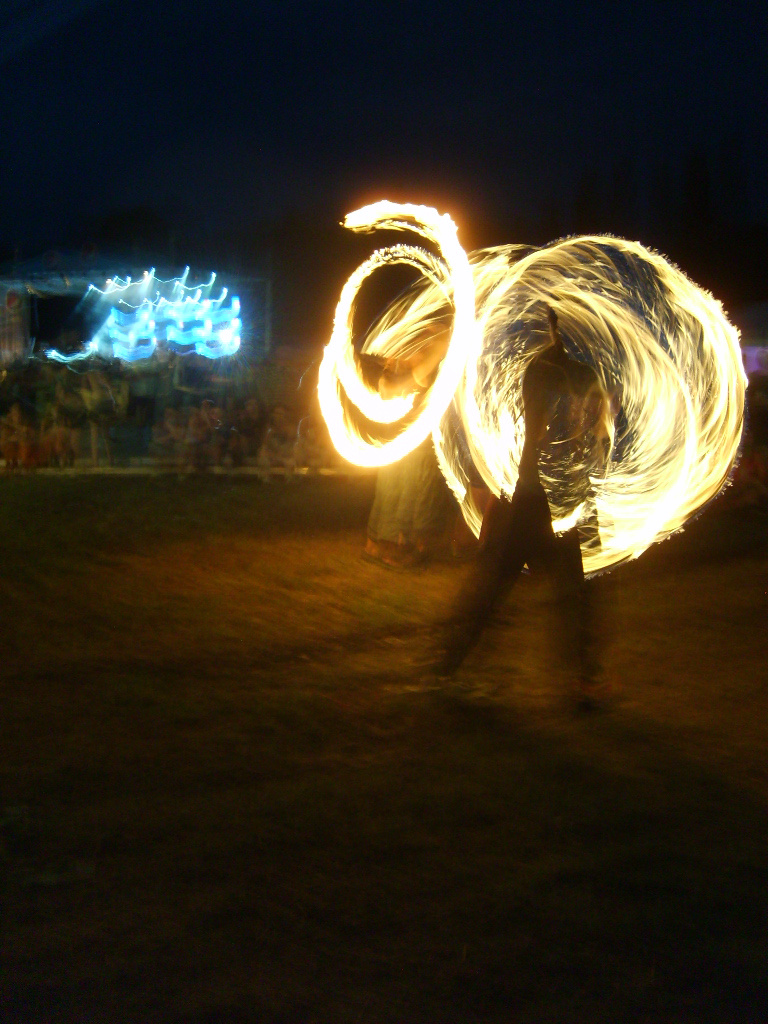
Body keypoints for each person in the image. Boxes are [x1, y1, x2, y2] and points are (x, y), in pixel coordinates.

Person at [437, 306, 612, 705]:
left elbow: (542, 429)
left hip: (534, 493)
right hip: (563, 497)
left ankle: (448, 665)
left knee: (499, 583)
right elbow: (590, 434)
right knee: (576, 593)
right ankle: (584, 679)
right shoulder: (585, 375)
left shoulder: (541, 370)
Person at [363, 324, 453, 567]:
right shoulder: (395, 377)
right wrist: (441, 335)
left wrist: (437, 332)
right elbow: (393, 389)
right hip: (402, 446)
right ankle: (392, 545)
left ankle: (402, 546)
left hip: (416, 446)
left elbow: (435, 353)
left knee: (410, 495)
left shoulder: (419, 370)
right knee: (394, 494)